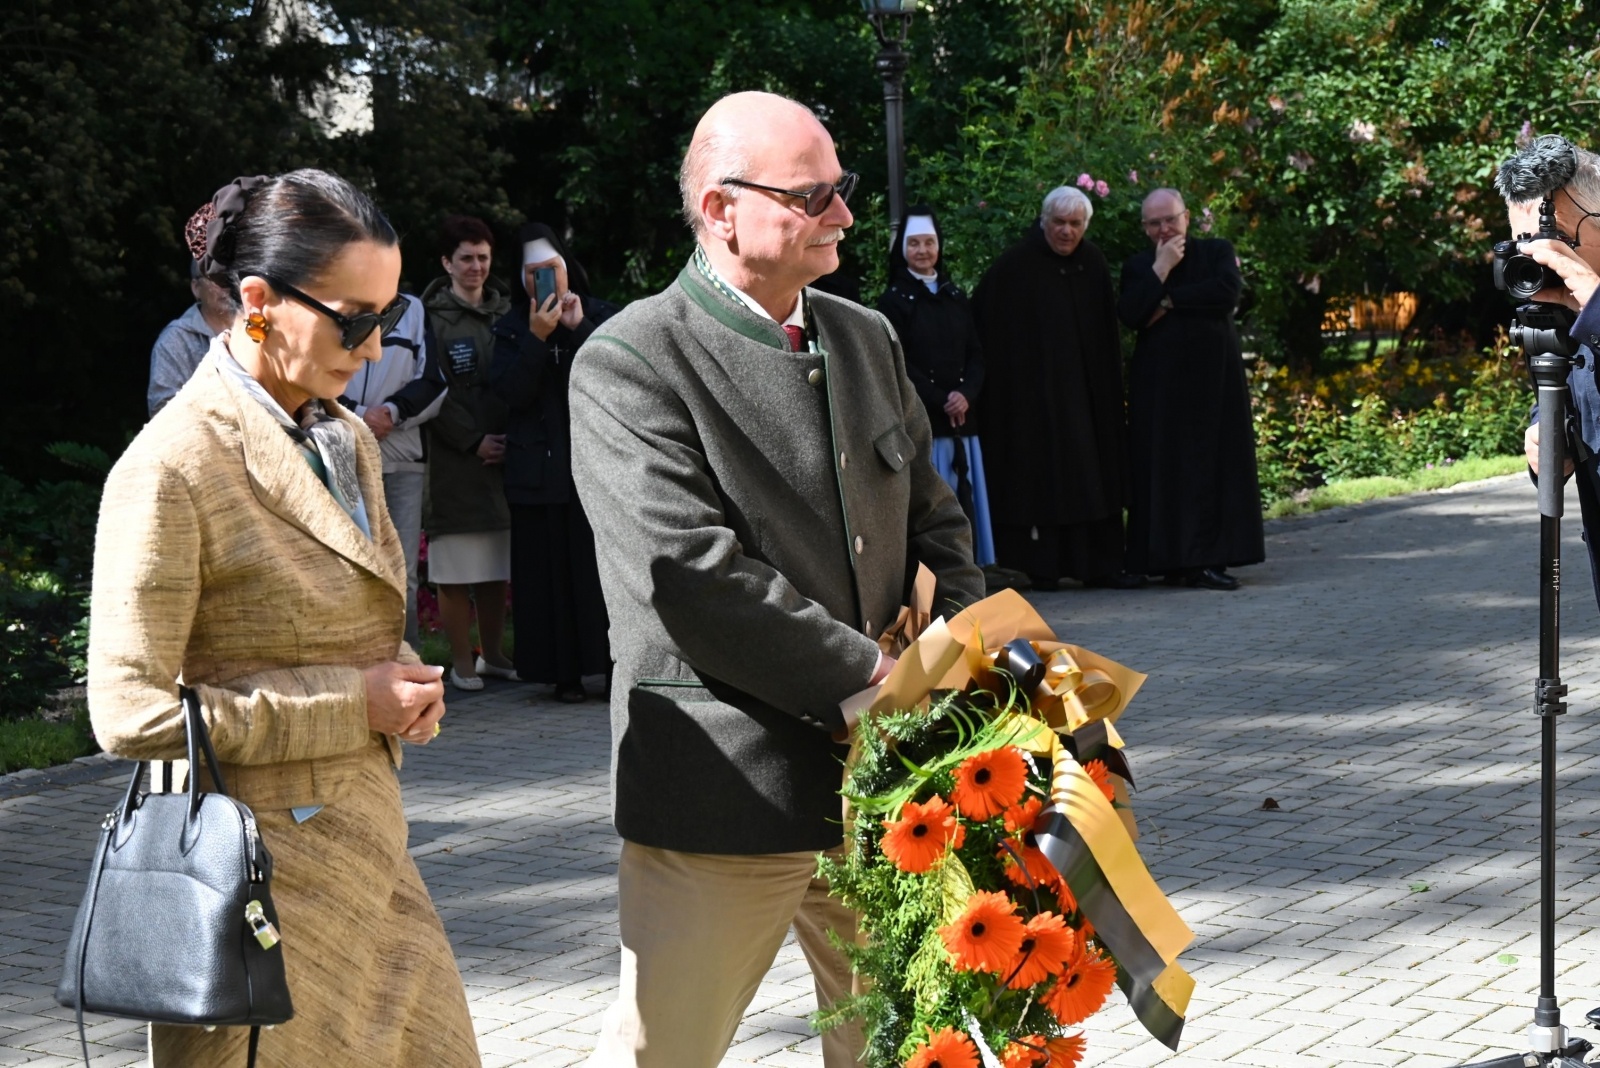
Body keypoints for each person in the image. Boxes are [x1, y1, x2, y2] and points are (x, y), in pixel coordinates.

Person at [568, 91, 984, 1068]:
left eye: (841, 189)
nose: (844, 214)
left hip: (887, 791)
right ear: (720, 209)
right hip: (726, 792)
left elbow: (936, 520)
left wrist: (948, 650)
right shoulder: (631, 361)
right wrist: (872, 683)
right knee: (658, 1054)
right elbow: (691, 576)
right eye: (815, 196)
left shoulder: (864, 336)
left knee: (908, 1047)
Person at [87, 169, 479, 1066]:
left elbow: (349, 620)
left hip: (375, 859)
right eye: (353, 319)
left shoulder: (343, 436)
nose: (376, 348)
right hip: (249, 894)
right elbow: (128, 714)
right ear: (256, 301)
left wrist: (405, 681)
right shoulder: (172, 466)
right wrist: (355, 703)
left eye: (387, 317)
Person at [972, 185, 1141, 590]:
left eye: (1075, 224)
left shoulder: (1093, 263)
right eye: (1059, 223)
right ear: (1044, 222)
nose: (1067, 232)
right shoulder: (1016, 266)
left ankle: (1101, 565)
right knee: (1044, 482)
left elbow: (1107, 332)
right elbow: (984, 329)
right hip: (1037, 402)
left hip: (1089, 398)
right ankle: (1043, 567)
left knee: (1094, 477)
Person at [489, 223, 617, 703]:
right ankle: (562, 674)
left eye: (551, 270)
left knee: (596, 575)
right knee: (549, 577)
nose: (543, 280)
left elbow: (617, 380)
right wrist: (536, 338)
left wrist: (578, 330)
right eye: (533, 273)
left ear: (566, 269)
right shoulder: (509, 327)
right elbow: (509, 394)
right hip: (537, 472)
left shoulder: (600, 315)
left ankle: (607, 668)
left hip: (592, 469)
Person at [1117, 187, 1264, 590]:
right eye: (1155, 223)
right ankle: (1169, 561)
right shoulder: (1139, 266)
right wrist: (1160, 270)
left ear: (1187, 217)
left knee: (1212, 468)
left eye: (1171, 219)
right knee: (1164, 470)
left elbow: (1225, 293)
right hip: (1161, 388)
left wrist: (1167, 301)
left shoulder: (1216, 251)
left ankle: (1209, 560)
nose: (1164, 228)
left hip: (1214, 382)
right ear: (1145, 228)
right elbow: (1131, 313)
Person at [1501, 136, 1600, 609]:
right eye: (1526, 245)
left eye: (1552, 241)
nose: (1542, 261)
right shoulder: (1565, 312)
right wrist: (1545, 433)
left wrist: (1593, 297)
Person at [422, 214, 517, 690]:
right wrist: (472, 439)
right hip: (453, 461)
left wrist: (508, 441)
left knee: (495, 567)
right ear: (447, 262)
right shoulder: (428, 319)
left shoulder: (508, 312)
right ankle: (461, 662)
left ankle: (494, 655)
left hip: (503, 458)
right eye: (466, 258)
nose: (476, 266)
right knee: (456, 568)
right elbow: (430, 390)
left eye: (483, 257)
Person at [877, 204, 996, 566]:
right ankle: (941, 567)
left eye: (929, 242)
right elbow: (898, 362)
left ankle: (972, 566)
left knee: (967, 494)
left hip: (963, 420)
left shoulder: (955, 296)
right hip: (925, 419)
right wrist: (941, 398)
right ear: (903, 249)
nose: (923, 250)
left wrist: (966, 395)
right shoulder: (894, 302)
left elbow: (976, 353)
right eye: (914, 244)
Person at [338, 292, 448, 647]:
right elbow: (311, 377)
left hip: (403, 461)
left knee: (403, 573)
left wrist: (391, 412)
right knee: (350, 567)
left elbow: (433, 381)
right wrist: (357, 413)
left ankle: (408, 665)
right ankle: (358, 667)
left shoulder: (413, 309)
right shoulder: (334, 300)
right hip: (345, 456)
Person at [148, 258, 235, 415]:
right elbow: (162, 411)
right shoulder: (175, 340)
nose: (226, 285)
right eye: (215, 278)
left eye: (230, 277)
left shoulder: (255, 327)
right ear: (196, 288)